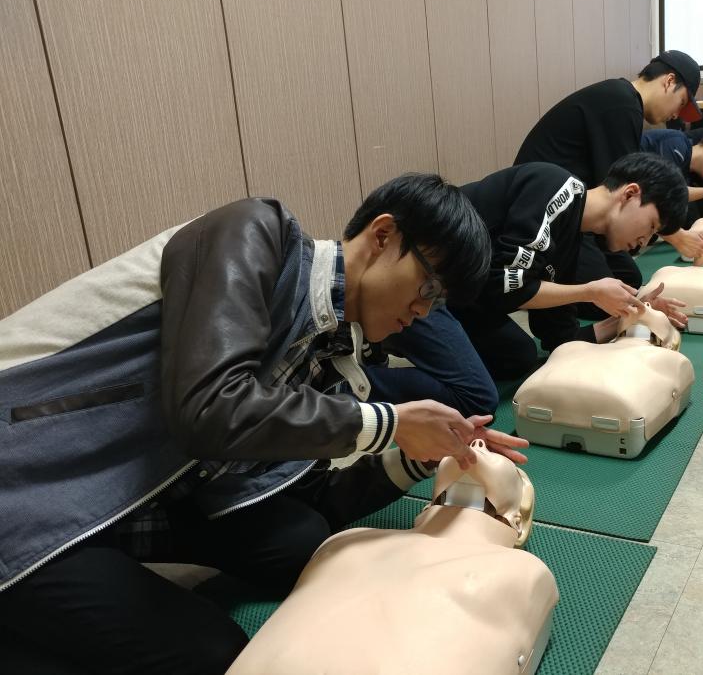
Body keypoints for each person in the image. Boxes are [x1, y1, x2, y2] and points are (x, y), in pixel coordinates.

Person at [0, 176, 528, 674]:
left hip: (128, 490)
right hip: (26, 489)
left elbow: (314, 494)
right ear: (383, 235)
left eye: (438, 302)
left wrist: (417, 456)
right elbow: (211, 408)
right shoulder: (252, 231)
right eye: (428, 287)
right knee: (213, 653)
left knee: (300, 541)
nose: (423, 312)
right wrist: (388, 423)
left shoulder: (332, 349)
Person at [226, 440, 558, 675]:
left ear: (518, 518)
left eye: (504, 465)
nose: (478, 445)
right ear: (426, 504)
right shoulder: (346, 540)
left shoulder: (524, 572)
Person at [441, 152, 688, 380]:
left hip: (465, 298)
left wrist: (632, 315)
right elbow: (506, 287)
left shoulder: (572, 236)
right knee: (478, 395)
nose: (645, 240)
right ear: (630, 193)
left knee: (516, 356)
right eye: (652, 226)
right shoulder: (555, 187)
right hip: (428, 288)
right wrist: (589, 292)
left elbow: (562, 338)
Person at [512, 49, 703, 293]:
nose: (676, 114)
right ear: (669, 81)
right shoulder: (621, 104)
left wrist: (677, 233)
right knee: (614, 291)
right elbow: (622, 191)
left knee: (627, 277)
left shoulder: (625, 103)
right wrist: (676, 235)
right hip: (543, 215)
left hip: (574, 213)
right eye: (682, 102)